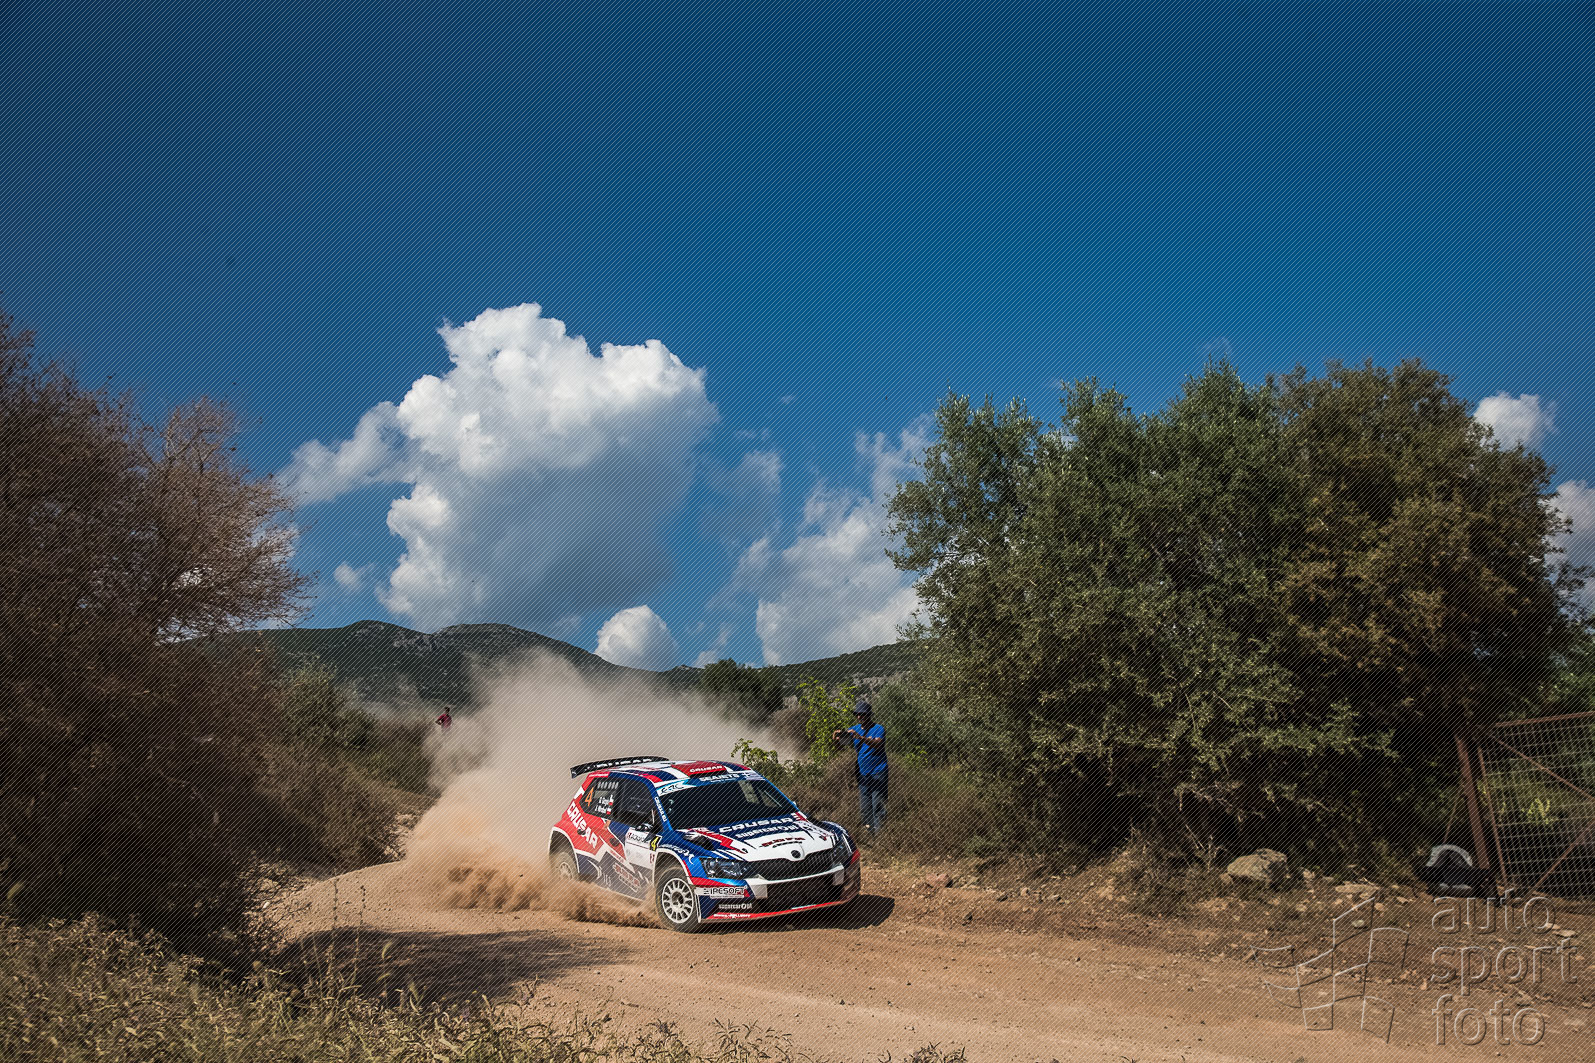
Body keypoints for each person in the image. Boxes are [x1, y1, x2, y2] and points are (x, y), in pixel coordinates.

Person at [833, 698, 887, 835]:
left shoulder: (878, 729)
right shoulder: (854, 730)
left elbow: (877, 744)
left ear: (868, 715)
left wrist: (861, 737)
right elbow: (840, 748)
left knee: (877, 805)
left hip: (878, 772)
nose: (859, 717)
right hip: (863, 774)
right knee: (865, 807)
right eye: (857, 714)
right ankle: (870, 834)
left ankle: (880, 836)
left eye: (862, 714)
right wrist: (836, 739)